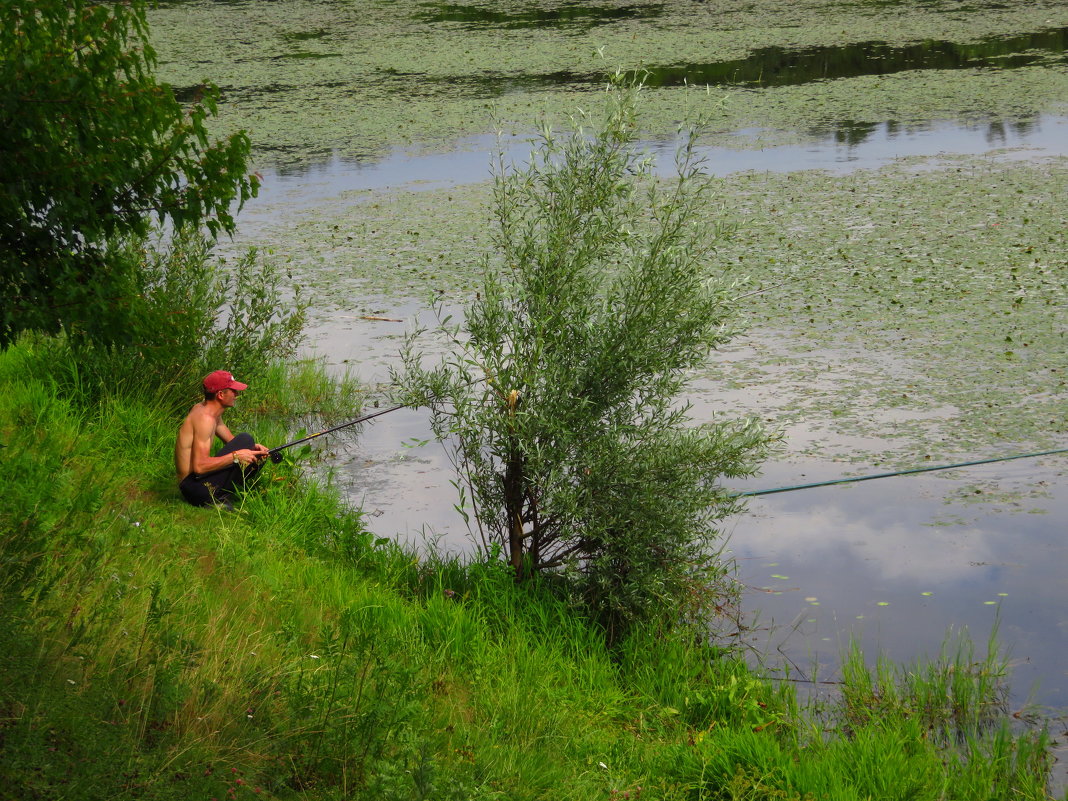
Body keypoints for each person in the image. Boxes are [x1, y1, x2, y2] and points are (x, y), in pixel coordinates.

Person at [175, 370, 269, 509]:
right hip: (194, 487)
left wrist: (252, 449)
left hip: (195, 481)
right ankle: (213, 499)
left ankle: (222, 494)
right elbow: (200, 467)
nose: (237, 395)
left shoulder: (209, 411)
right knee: (244, 443)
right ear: (220, 394)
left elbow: (233, 442)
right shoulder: (205, 419)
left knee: (246, 440)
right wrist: (236, 456)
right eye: (233, 391)